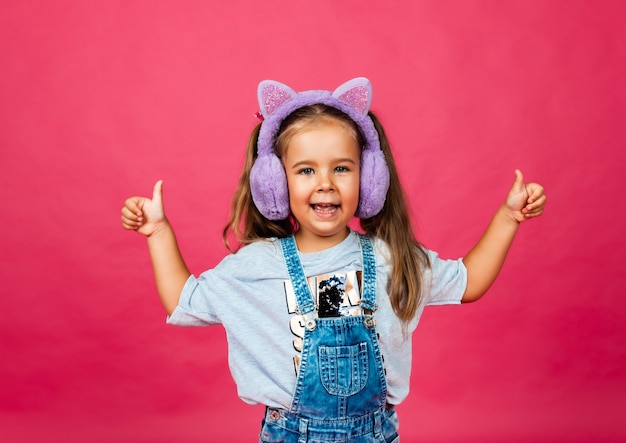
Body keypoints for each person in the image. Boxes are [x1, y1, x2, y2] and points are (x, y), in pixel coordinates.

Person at [121, 77, 546, 442]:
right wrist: (158, 232)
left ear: (369, 178)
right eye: (306, 170)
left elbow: (468, 281)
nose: (325, 183)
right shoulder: (255, 266)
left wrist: (508, 217)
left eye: (342, 168)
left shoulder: (389, 258)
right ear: (274, 183)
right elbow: (183, 299)